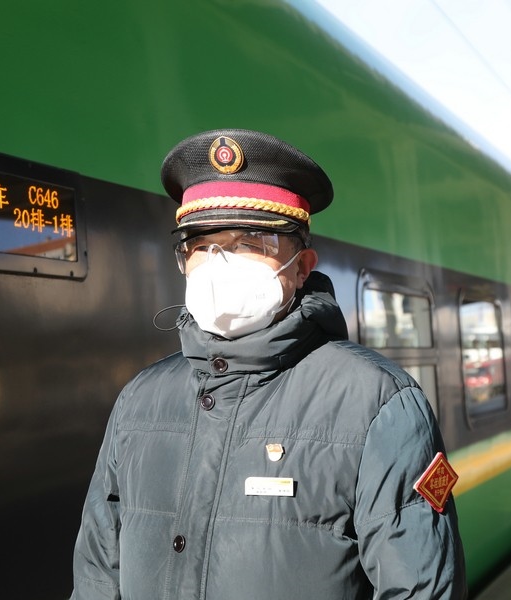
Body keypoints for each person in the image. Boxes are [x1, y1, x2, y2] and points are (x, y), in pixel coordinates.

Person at [71, 129, 467, 599]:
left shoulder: (379, 403)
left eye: (250, 242)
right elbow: (97, 575)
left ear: (301, 266)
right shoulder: (140, 400)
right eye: (201, 244)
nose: (219, 262)